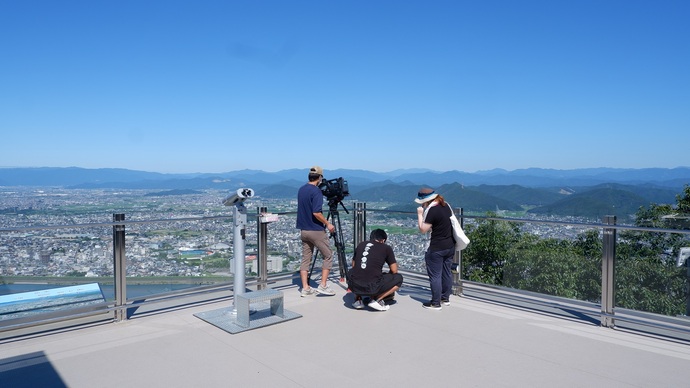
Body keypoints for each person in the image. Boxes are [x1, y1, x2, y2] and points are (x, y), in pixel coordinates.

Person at [296, 166, 337, 297]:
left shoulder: (301, 189)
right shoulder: (316, 191)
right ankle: (323, 285)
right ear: (319, 177)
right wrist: (328, 223)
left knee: (306, 258)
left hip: (304, 230)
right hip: (316, 230)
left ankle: (305, 288)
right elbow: (316, 212)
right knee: (328, 255)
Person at [415, 187, 454, 310]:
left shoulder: (432, 210)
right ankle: (445, 298)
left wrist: (420, 214)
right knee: (447, 272)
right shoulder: (446, 205)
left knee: (435, 275)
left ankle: (435, 302)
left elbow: (423, 229)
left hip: (437, 248)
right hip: (450, 245)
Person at [347, 229, 403, 312]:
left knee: (353, 272)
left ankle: (358, 300)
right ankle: (377, 300)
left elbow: (354, 265)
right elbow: (394, 270)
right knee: (398, 278)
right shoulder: (386, 248)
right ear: (383, 240)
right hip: (372, 287)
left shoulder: (361, 244)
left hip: (354, 285)